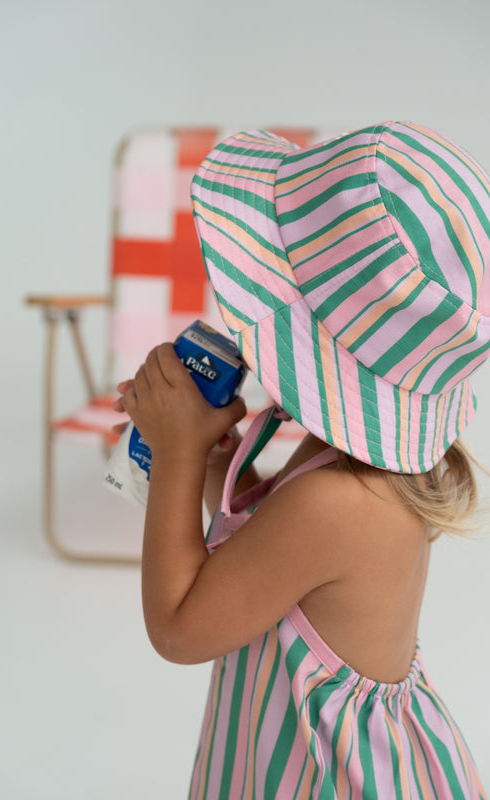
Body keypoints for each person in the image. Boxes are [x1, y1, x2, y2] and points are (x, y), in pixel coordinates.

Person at [113, 122, 489, 798]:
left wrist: (174, 453)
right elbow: (272, 561)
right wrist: (212, 460)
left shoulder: (338, 501)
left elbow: (178, 629)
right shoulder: (358, 469)